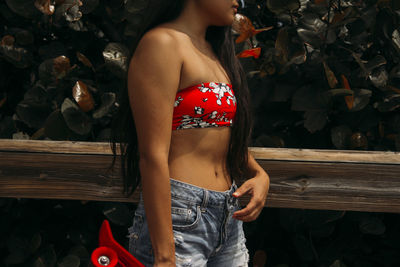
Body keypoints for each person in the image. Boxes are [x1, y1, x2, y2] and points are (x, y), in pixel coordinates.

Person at [109, 0, 270, 266]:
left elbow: (218, 132)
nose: (238, 2)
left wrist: (259, 174)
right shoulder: (162, 43)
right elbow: (152, 155)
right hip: (179, 217)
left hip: (228, 214)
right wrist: (164, 256)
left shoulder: (212, 50)